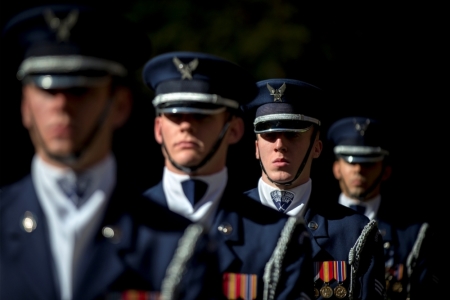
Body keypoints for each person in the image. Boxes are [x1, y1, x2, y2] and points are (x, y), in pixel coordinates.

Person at [0, 4, 221, 300]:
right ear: (25, 106)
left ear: (120, 106)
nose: (62, 105)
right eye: (47, 90)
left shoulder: (179, 245)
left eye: (81, 90)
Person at [141, 51, 314, 300]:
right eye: (175, 115)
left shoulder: (279, 238)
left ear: (234, 129)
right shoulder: (116, 222)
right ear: (158, 129)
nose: (186, 125)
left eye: (202, 114)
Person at [241, 78, 387, 299]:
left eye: (292, 134)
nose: (279, 144)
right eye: (269, 135)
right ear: (256, 148)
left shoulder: (355, 233)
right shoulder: (224, 221)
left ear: (317, 148)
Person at [327, 116, 439, 299]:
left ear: (385, 171)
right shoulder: (310, 224)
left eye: (368, 163)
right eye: (350, 161)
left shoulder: (413, 235)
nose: (358, 170)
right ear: (336, 168)